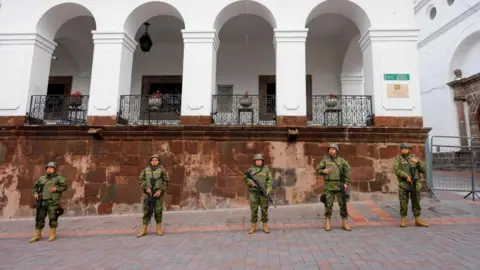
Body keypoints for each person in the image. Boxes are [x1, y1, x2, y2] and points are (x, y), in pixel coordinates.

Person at [315, 143, 351, 231]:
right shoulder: (325, 160)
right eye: (330, 149)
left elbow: (347, 171)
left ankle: (344, 222)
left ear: (337, 151)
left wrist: (346, 183)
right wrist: (324, 171)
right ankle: (327, 222)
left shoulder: (341, 161)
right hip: (329, 186)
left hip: (339, 186)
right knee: (328, 204)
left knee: (343, 205)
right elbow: (317, 169)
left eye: (333, 149)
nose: (331, 150)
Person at [29, 162, 67, 243]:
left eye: (51, 168)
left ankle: (52, 234)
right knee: (39, 218)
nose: (49, 169)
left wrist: (56, 189)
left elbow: (64, 187)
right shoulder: (41, 178)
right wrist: (35, 194)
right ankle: (37, 234)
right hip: (42, 201)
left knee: (52, 217)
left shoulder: (59, 178)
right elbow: (35, 188)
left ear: (55, 169)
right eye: (48, 167)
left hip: (53, 201)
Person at [393, 143, 428, 228]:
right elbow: (397, 169)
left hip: (415, 184)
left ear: (409, 149)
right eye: (402, 148)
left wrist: (418, 162)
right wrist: (406, 176)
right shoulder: (398, 159)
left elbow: (423, 170)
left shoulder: (415, 158)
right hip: (404, 184)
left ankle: (417, 219)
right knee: (403, 202)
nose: (404, 150)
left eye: (406, 148)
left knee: (416, 202)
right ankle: (403, 219)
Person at [137, 154, 170, 237]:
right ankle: (144, 229)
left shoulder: (162, 170)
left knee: (158, 211)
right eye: (152, 160)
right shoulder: (146, 170)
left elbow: (165, 181)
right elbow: (141, 179)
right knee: (146, 211)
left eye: (156, 160)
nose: (154, 162)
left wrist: (161, 190)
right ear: (150, 161)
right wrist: (146, 188)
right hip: (148, 194)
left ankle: (158, 229)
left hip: (158, 194)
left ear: (158, 161)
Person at [244, 153, 273, 234]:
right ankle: (253, 226)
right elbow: (245, 178)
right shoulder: (251, 169)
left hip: (263, 193)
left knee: (264, 209)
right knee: (254, 209)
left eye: (260, 160)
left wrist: (268, 189)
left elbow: (270, 180)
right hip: (254, 192)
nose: (258, 162)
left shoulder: (266, 169)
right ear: (254, 161)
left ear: (262, 161)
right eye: (257, 160)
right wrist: (252, 183)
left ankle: (265, 226)